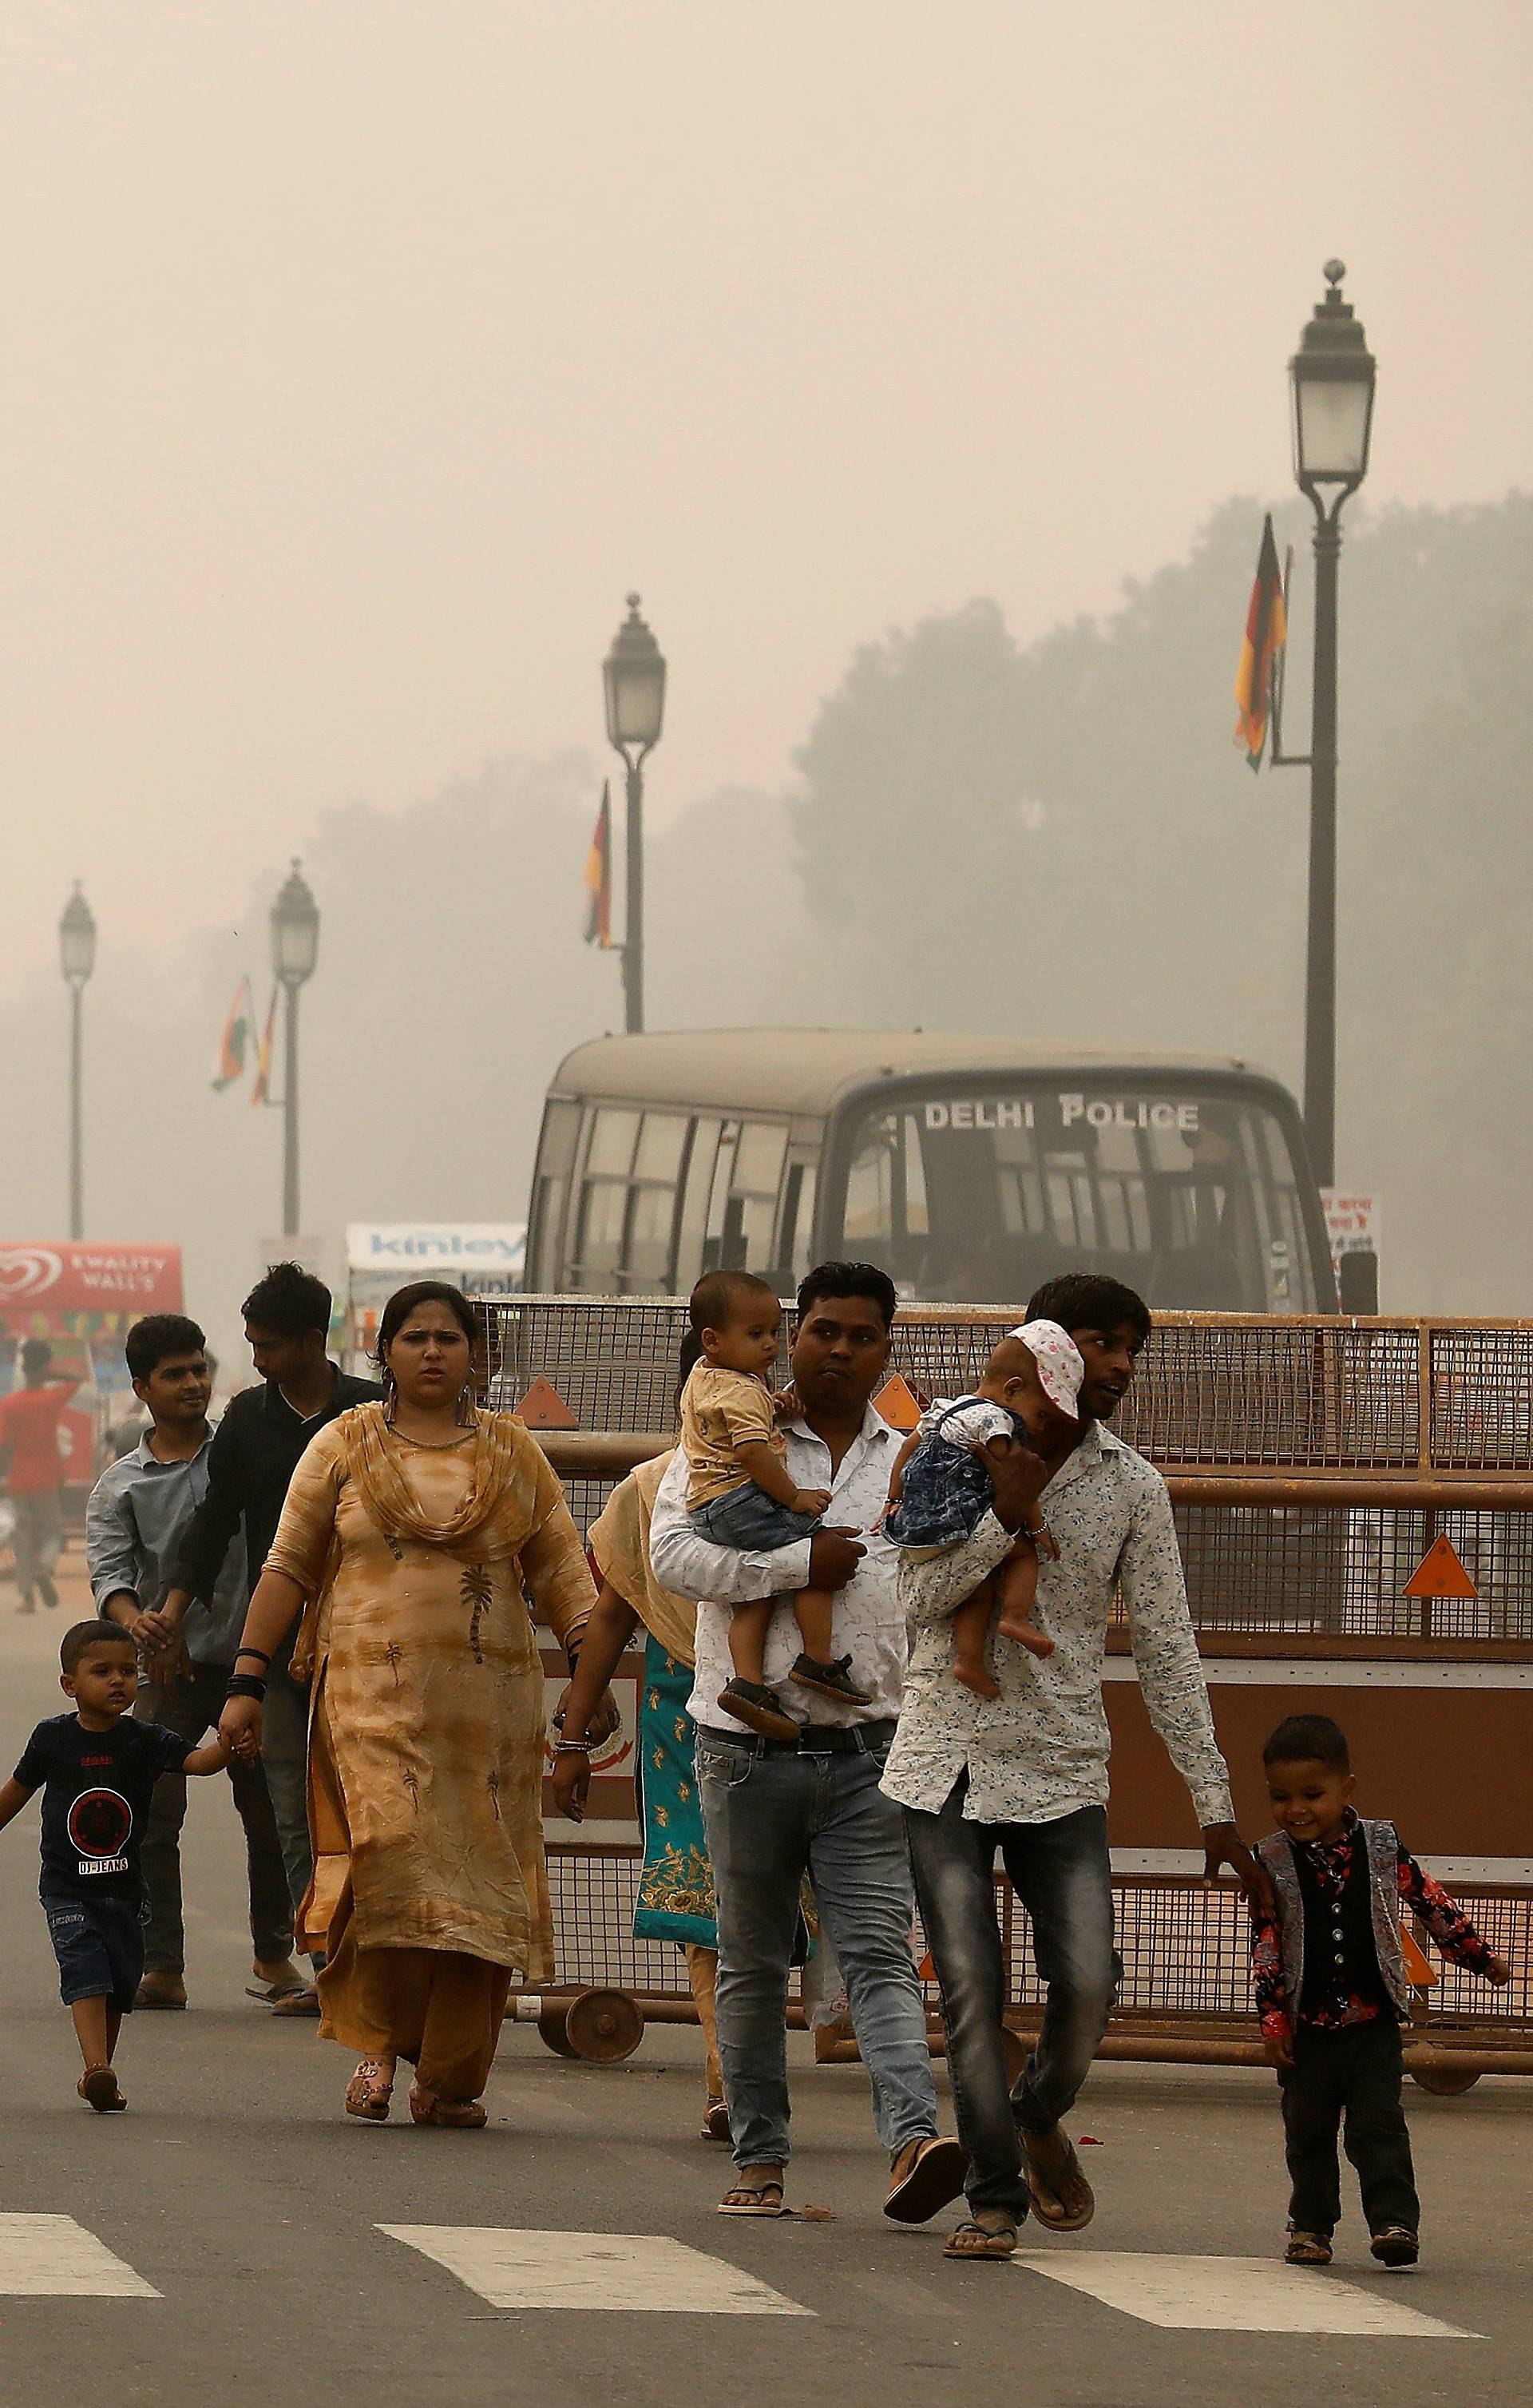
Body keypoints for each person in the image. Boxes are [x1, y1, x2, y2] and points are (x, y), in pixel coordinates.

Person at [883, 1271, 1267, 2261]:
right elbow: (916, 1606)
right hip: (946, 1759)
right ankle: (995, 2199)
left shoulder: (1131, 1484)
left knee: (1089, 1984)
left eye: (1135, 1349)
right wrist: (1003, 1516)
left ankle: (1035, 2108)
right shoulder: (955, 1449)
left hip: (1061, 1768)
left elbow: (1169, 1643)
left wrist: (1213, 1801)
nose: (1122, 1367)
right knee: (970, 1982)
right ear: (1046, 1343)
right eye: (1103, 1343)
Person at [218, 1280, 596, 2128]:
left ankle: (448, 2079)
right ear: (383, 1353)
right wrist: (245, 1681)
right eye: (415, 1337)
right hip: (366, 1704)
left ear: (476, 1356)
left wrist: (586, 1675)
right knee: (383, 1867)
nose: (433, 1352)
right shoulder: (343, 1445)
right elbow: (287, 1566)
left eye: (450, 1339)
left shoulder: (512, 1453)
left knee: (474, 1891)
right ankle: (378, 2049)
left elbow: (565, 1576)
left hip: (487, 1721)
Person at [650, 1261, 965, 2226]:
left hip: (871, 1748)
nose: (838, 1349)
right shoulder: (724, 1429)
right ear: (792, 1336)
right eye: (822, 1330)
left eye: (861, 1335)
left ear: (885, 1351)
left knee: (876, 1954)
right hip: (743, 1753)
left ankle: (913, 2143)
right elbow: (673, 1556)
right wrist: (799, 1558)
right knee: (751, 1962)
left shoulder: (908, 1456)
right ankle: (761, 2161)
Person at [157, 1264, 381, 1980]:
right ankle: (323, 1964)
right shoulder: (249, 1420)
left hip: (371, 1648)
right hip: (281, 1651)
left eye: (270, 1345)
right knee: (293, 1812)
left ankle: (377, 1957)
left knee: (369, 1809)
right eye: (251, 1344)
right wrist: (173, 1608)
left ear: (314, 1341)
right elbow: (215, 1523)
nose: (256, 1359)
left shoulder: (372, 1416)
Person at [85, 1313, 306, 2012]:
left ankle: (276, 1954)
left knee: (270, 1808)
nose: (193, 1383)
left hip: (256, 1665)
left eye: (199, 1369)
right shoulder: (119, 1486)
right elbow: (111, 1575)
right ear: (141, 1386)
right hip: (168, 1673)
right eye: (175, 1374)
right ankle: (162, 1966)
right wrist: (140, 1624)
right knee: (151, 1807)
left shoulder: (240, 1454)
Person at [1250, 1712, 1512, 2270]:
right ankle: (1311, 2226)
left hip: (1372, 2026)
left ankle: (1395, 2221)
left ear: (1347, 1789)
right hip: (1308, 2030)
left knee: (1379, 2126)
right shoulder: (1270, 1859)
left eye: (1312, 1794)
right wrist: (1272, 2023)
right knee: (1309, 2133)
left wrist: (1479, 1956)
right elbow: (1267, 1943)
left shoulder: (1382, 1844)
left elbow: (1429, 1901)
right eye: (1280, 1796)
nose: (1296, 1808)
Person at [553, 1335, 728, 2140]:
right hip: (681, 1714)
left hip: (797, 1717)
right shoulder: (649, 1490)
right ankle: (729, 2077)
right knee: (705, 1904)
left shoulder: (805, 1483)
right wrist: (573, 1740)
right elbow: (613, 1615)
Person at [0, 1619, 228, 2110]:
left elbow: (199, 1763)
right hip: (65, 1886)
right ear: (70, 1685)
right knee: (86, 1967)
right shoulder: (52, 1739)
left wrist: (229, 1745)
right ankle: (97, 2067)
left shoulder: (146, 1739)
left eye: (128, 1670)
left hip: (125, 1888)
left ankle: (98, 2073)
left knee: (122, 1980)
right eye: (101, 1671)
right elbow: (15, 1794)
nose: (117, 1680)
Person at [679, 1269, 869, 1739]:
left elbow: (733, 1417)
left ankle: (746, 1684)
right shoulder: (742, 1390)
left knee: (758, 1593)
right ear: (712, 1339)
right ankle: (817, 1662)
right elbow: (752, 1452)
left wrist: (773, 1406)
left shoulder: (708, 1378)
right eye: (756, 1334)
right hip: (739, 1499)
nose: (768, 1344)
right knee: (817, 1558)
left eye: (773, 1332)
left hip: (712, 1505)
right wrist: (796, 1498)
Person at [883, 1322, 1085, 1689]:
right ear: (1012, 1389)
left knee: (977, 1586)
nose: (1040, 1428)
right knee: (1020, 1555)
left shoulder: (948, 1408)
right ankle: (1016, 1617)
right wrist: (1038, 1529)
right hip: (954, 1522)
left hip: (917, 1530)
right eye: (1041, 1414)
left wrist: (894, 1498)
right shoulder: (997, 1422)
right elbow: (1014, 1484)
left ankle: (969, 1662)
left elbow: (907, 1449)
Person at [0, 1338, 80, 1614]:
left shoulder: (9, 1404)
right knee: (51, 1531)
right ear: (43, 1368)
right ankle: (45, 1568)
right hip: (47, 1478)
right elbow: (75, 1379)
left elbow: (5, 1446)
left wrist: (6, 1477)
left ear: (22, 1369)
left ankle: (26, 1599)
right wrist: (50, 1373)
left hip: (19, 1479)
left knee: (23, 1540)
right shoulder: (51, 1399)